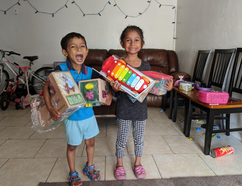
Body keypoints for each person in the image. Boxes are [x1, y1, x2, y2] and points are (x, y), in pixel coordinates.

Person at [43, 32, 112, 186]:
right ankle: (73, 172)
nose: (79, 49)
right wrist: (49, 107)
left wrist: (108, 94)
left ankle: (89, 167)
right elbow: (46, 87)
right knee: (72, 146)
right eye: (73, 47)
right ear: (65, 52)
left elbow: (106, 84)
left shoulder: (91, 71)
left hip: (89, 116)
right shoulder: (60, 70)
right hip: (72, 118)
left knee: (91, 143)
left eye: (82, 46)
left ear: (86, 51)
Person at [110, 25, 173, 180]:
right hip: (124, 108)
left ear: (142, 43)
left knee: (139, 138)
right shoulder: (119, 65)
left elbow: (153, 87)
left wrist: (167, 87)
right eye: (128, 40)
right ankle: (119, 165)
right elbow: (113, 92)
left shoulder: (146, 65)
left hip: (140, 109)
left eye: (136, 40)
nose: (132, 43)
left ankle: (138, 164)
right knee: (122, 138)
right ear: (122, 43)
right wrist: (115, 88)